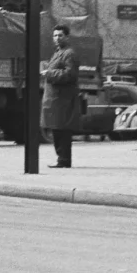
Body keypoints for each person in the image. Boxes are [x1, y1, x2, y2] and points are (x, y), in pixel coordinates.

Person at [41, 24, 81, 168]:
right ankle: (62, 159)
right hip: (55, 98)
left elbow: (70, 74)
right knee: (56, 130)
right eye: (55, 35)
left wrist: (49, 73)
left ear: (67, 37)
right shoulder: (58, 52)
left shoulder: (69, 54)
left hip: (62, 99)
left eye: (60, 35)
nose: (57, 38)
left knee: (62, 130)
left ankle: (63, 160)